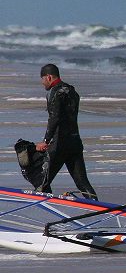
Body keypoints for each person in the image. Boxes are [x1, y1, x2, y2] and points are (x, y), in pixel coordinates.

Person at [34, 64, 98, 200]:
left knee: (41, 182)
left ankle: (47, 212)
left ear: (49, 77)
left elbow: (54, 118)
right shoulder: (72, 91)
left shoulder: (54, 92)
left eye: (43, 79)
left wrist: (45, 141)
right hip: (75, 142)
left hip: (59, 145)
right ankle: (99, 212)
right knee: (82, 183)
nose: (42, 83)